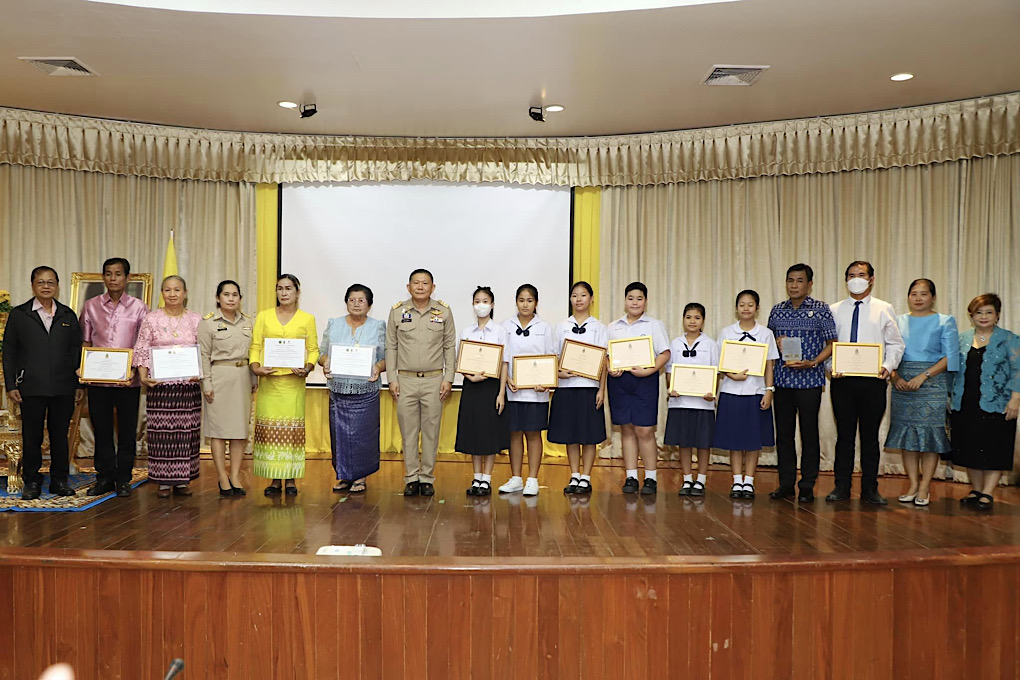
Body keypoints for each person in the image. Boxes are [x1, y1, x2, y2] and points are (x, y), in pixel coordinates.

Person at [827, 261, 905, 505]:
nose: (856, 279)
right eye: (851, 275)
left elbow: (895, 343)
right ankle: (841, 486)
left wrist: (888, 366)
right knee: (844, 436)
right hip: (842, 382)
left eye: (861, 275)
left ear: (871, 279)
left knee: (870, 437)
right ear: (845, 280)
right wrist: (830, 367)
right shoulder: (834, 310)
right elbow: (827, 345)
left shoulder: (884, 308)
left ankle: (870, 488)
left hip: (873, 381)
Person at [2, 266, 83, 500]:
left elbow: (77, 351)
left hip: (63, 386)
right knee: (32, 436)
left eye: (50, 282)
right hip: (31, 386)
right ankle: (32, 481)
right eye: (41, 282)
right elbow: (9, 352)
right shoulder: (20, 314)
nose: (46, 286)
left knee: (59, 435)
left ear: (57, 286)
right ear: (32, 286)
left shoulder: (67, 315)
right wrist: (11, 385)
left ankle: (59, 480)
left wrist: (79, 384)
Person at [766, 263, 837, 503]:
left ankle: (807, 485)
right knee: (784, 435)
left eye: (799, 281)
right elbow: (768, 345)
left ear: (809, 284)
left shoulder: (821, 309)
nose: (794, 285)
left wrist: (814, 361)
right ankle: (785, 484)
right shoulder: (777, 311)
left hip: (810, 382)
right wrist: (776, 342)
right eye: (790, 280)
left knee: (809, 434)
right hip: (783, 381)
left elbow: (832, 343)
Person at [885, 279, 958, 506]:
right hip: (902, 382)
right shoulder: (897, 321)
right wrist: (895, 377)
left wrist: (924, 376)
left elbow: (950, 357)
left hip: (932, 382)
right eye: (914, 293)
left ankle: (925, 487)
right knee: (907, 436)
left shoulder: (945, 321)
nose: (918, 298)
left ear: (933, 297)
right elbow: (889, 353)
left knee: (929, 438)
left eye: (924, 294)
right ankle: (913, 484)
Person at [80, 257, 149, 498]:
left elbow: (142, 344)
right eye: (109, 274)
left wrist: (134, 370)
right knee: (101, 429)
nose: (113, 278)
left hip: (128, 379)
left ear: (127, 278)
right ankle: (105, 477)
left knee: (127, 430)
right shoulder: (91, 306)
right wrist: (83, 369)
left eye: (118, 274)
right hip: (98, 380)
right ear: (103, 277)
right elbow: (86, 342)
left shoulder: (139, 307)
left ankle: (123, 478)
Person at [386, 269, 456, 497]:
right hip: (405, 380)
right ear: (408, 287)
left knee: (431, 431)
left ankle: (426, 478)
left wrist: (448, 378)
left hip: (434, 380)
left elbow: (449, 346)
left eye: (425, 283)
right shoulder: (397, 311)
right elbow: (391, 347)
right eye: (416, 283)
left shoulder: (443, 312)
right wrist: (392, 379)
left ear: (432, 288)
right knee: (408, 431)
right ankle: (411, 477)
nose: (420, 287)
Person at [249, 274, 319, 496]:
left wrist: (308, 367)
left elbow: (313, 349)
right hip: (269, 384)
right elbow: (255, 345)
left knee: (290, 432)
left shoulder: (307, 318)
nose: (284, 292)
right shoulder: (264, 316)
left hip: (292, 385)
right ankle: (273, 479)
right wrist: (256, 367)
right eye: (280, 288)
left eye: (289, 288)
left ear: (297, 292)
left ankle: (290, 478)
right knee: (270, 432)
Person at [134, 275, 203, 498]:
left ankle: (182, 480)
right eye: (167, 290)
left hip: (188, 388)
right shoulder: (151, 319)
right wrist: (143, 376)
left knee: (186, 433)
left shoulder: (196, 320)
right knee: (161, 434)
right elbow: (142, 348)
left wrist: (199, 373)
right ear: (162, 293)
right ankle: (163, 481)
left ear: (185, 293)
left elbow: (203, 351)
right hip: (160, 387)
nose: (172, 294)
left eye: (177, 290)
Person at [949, 294, 1020, 511]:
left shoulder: (1009, 339)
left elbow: (1018, 370)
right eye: (979, 312)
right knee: (969, 446)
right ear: (971, 315)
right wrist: (948, 396)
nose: (984, 316)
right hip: (965, 402)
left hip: (998, 403)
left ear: (997, 315)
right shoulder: (961, 338)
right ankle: (976, 490)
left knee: (994, 447)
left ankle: (988, 492)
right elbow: (951, 369)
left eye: (989, 312)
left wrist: (1015, 399)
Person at [318, 284, 386, 494]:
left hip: (366, 391)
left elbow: (386, 357)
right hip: (338, 390)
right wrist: (326, 362)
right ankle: (344, 476)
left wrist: (378, 367)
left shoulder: (378, 326)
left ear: (369, 305)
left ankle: (360, 477)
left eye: (361, 300)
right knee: (339, 436)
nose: (356, 304)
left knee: (363, 436)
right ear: (346, 303)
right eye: (352, 300)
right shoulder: (334, 324)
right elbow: (321, 353)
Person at [607, 282, 671, 495]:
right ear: (625, 301)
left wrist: (648, 370)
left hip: (645, 381)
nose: (635, 302)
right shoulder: (613, 326)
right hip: (619, 382)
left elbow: (665, 353)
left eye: (639, 298)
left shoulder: (654, 325)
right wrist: (610, 367)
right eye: (631, 298)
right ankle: (631, 476)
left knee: (644, 430)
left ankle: (651, 477)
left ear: (646, 301)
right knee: (626, 428)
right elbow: (606, 355)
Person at [714, 290, 778, 500]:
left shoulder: (766, 333)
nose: (746, 308)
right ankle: (736, 480)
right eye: (742, 304)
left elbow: (769, 365)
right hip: (731, 392)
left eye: (750, 305)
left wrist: (769, 390)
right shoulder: (726, 332)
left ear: (757, 308)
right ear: (736, 308)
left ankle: (749, 481)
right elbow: (719, 363)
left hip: (756, 392)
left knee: (752, 440)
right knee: (734, 439)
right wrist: (732, 375)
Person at [549, 281, 608, 496]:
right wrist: (559, 373)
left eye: (583, 295)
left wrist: (601, 390)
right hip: (566, 388)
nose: (579, 299)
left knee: (589, 435)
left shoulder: (599, 328)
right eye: (575, 295)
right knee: (571, 434)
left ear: (591, 299)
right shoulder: (561, 327)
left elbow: (604, 361)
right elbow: (553, 357)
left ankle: (586, 477)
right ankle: (574, 475)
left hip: (589, 388)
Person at [198, 280, 256, 497]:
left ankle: (235, 476)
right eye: (226, 294)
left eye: (235, 295)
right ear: (218, 298)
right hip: (219, 378)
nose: (231, 299)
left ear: (240, 298)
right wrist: (206, 383)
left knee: (239, 431)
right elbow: (203, 356)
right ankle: (222, 477)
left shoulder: (248, 322)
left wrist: (254, 378)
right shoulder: (208, 324)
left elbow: (254, 353)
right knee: (219, 431)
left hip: (242, 378)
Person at [499, 284, 556, 497]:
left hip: (536, 392)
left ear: (536, 303)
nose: (525, 304)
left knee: (533, 433)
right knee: (514, 433)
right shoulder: (505, 326)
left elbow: (550, 356)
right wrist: (507, 380)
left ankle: (532, 479)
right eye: (521, 300)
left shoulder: (545, 327)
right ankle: (516, 478)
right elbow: (502, 358)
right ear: (516, 302)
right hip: (512, 390)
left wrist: (546, 382)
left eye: (530, 300)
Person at [455, 286, 509, 497]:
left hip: (491, 387)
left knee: (489, 433)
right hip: (471, 386)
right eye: (477, 301)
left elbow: (504, 363)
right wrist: (470, 376)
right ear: (473, 305)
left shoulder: (500, 331)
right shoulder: (467, 332)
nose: (481, 305)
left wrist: (501, 393)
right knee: (474, 433)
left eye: (485, 301)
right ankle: (476, 477)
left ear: (492, 305)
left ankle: (487, 479)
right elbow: (461, 361)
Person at [665, 302, 718, 498]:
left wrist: (711, 391)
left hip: (703, 403)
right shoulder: (675, 343)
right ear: (683, 320)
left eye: (697, 317)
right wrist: (672, 387)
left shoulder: (710, 344)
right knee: (684, 442)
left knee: (703, 443)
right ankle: (687, 478)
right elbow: (669, 371)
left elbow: (715, 372)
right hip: (680, 402)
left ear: (703, 320)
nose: (692, 321)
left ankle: (701, 479)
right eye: (688, 317)